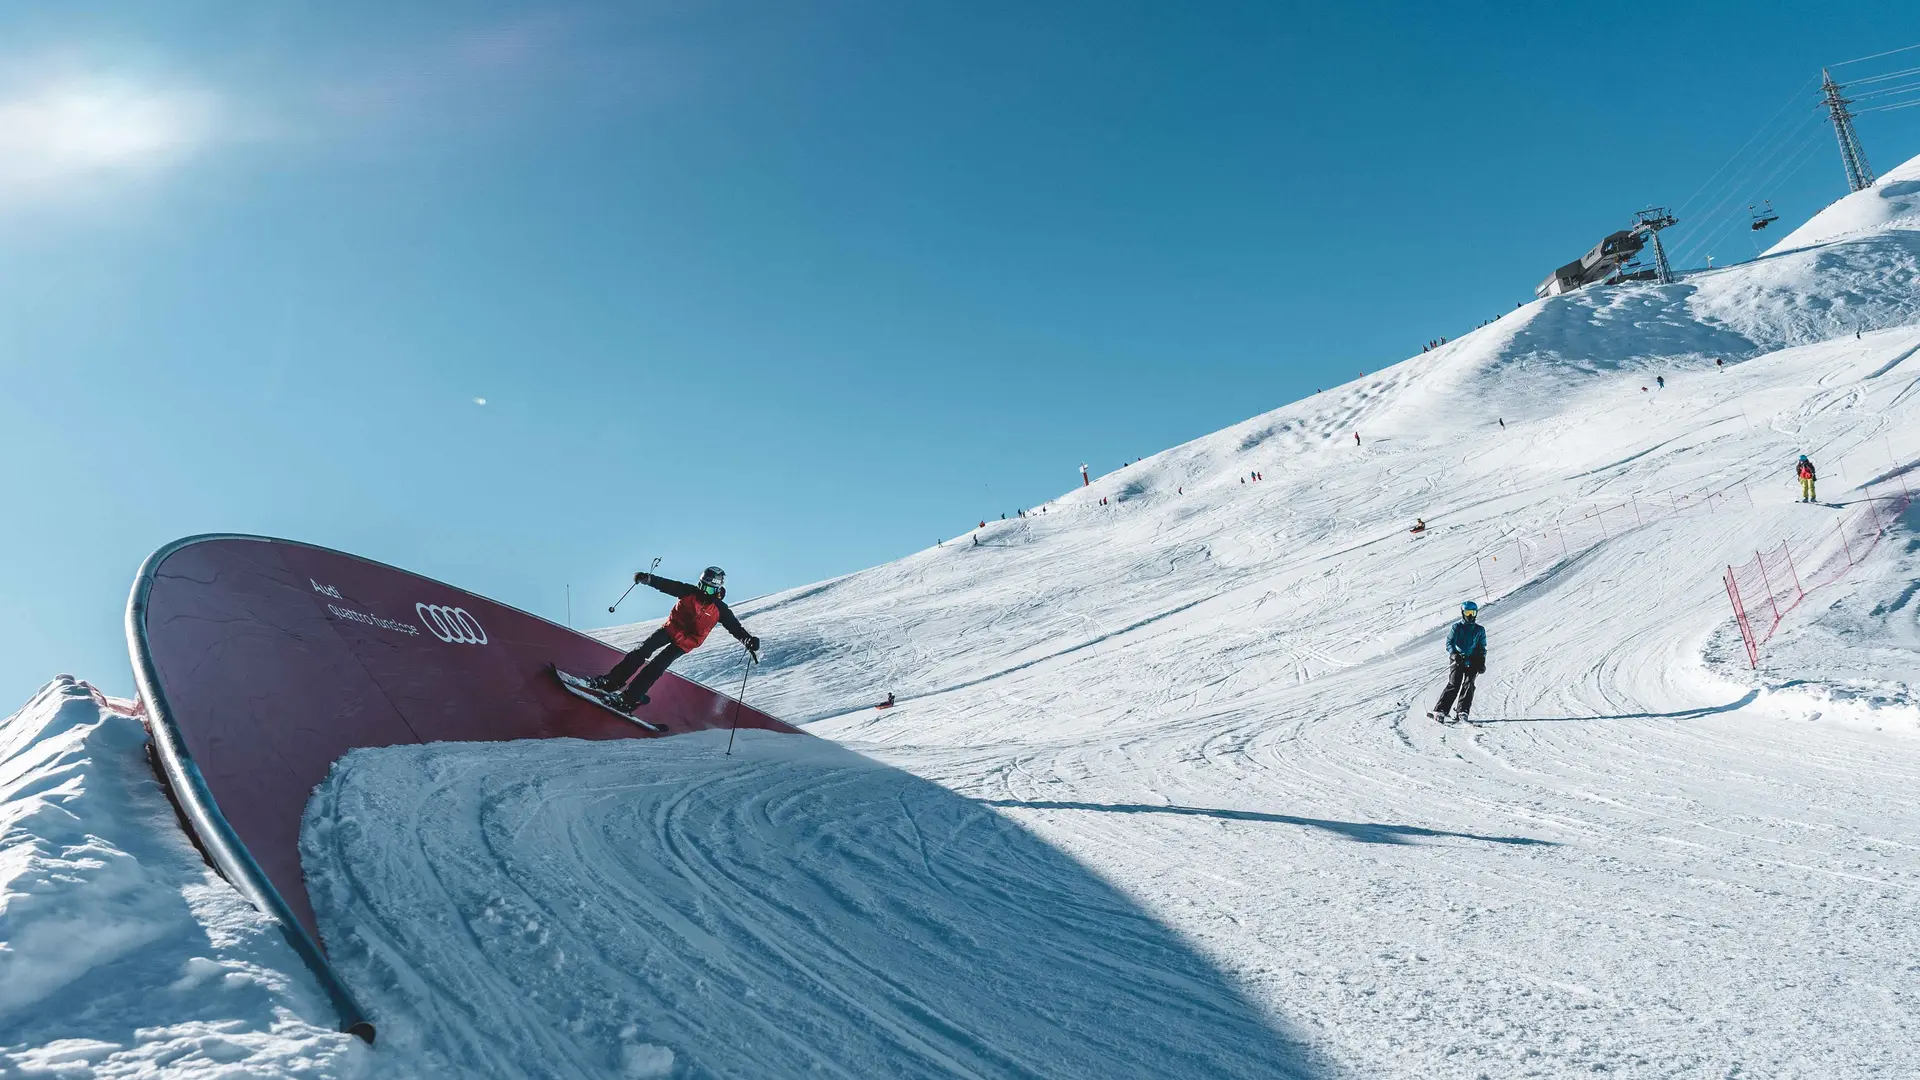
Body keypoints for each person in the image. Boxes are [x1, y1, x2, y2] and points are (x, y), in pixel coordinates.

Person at [589, 566, 759, 710]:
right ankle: (611, 682)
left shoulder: (719, 609)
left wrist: (748, 640)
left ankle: (628, 699)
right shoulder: (689, 592)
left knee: (656, 666)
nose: (702, 591)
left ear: (716, 590)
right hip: (671, 629)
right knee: (642, 650)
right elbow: (667, 585)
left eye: (707, 589)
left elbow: (735, 628)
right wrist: (648, 579)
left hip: (685, 643)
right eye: (701, 586)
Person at [1430, 601, 1486, 722]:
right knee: (1454, 683)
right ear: (1463, 613)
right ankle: (1440, 710)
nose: (1470, 616)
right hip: (1458, 659)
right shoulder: (1457, 627)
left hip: (1473, 660)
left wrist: (1481, 661)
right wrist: (1454, 654)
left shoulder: (1479, 630)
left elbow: (1482, 647)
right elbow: (1449, 642)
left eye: (1473, 613)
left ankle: (1462, 711)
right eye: (1467, 613)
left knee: (1469, 683)